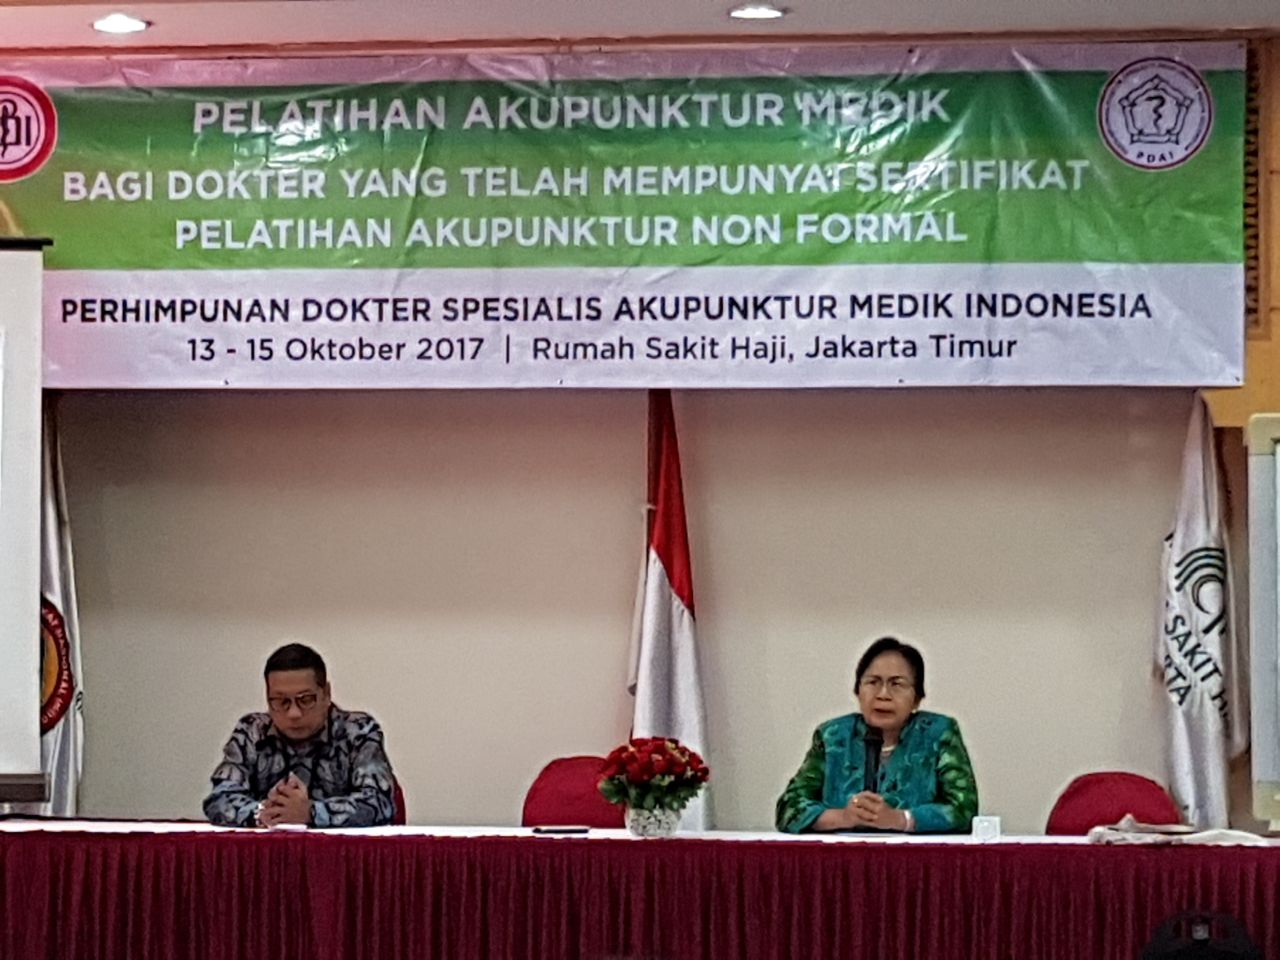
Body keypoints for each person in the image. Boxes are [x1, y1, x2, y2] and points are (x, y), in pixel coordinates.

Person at [775, 636, 977, 833]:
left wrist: (900, 819)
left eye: (896, 684)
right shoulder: (833, 736)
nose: (883, 695)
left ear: (916, 698)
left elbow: (964, 809)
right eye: (873, 682)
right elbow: (788, 809)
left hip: (914, 853)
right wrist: (843, 817)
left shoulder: (938, 734)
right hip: (843, 853)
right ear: (857, 692)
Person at [204, 643, 396, 827]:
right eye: (281, 701)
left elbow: (380, 802)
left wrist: (311, 813)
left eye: (305, 700)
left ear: (326, 694)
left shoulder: (358, 732)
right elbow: (219, 798)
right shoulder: (251, 731)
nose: (293, 713)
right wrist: (263, 813)